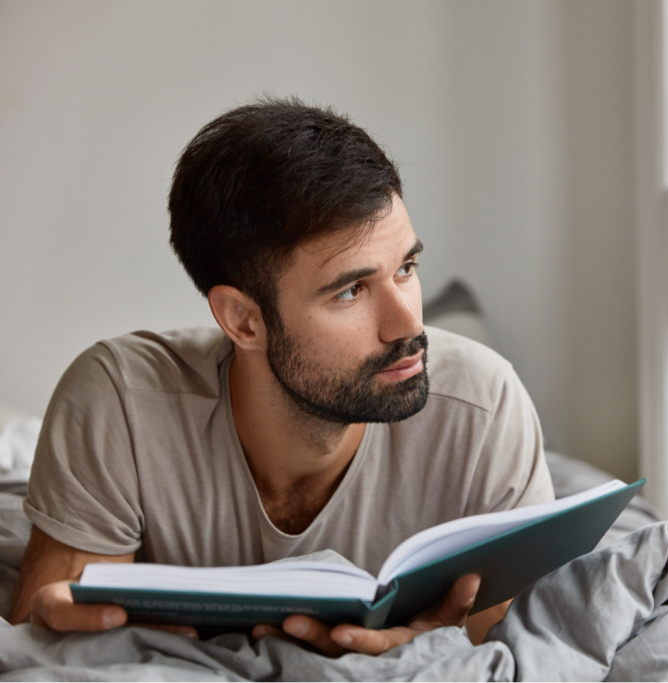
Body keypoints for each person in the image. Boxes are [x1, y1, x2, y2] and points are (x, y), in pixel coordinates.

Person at [9, 98, 554, 656]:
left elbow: (531, 652)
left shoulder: (485, 406)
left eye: (406, 268)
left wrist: (430, 652)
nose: (410, 323)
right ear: (243, 321)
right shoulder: (120, 404)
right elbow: (47, 646)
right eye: (350, 290)